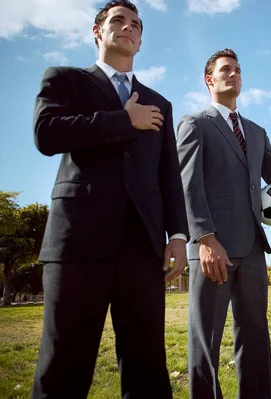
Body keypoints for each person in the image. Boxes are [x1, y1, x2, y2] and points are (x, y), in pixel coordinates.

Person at [31, 1, 188, 397]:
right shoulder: (65, 80)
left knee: (147, 366)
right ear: (98, 32)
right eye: (118, 20)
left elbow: (169, 176)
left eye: (137, 23)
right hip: (78, 243)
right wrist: (123, 120)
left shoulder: (160, 103)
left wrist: (179, 235)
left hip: (142, 249)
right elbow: (46, 133)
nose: (129, 27)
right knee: (64, 366)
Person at [177, 48, 271, 399]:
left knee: (255, 335)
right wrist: (205, 239)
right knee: (206, 340)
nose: (234, 74)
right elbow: (188, 185)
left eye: (238, 70)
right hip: (213, 250)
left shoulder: (256, 132)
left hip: (254, 250)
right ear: (209, 79)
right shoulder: (194, 124)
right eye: (226, 69)